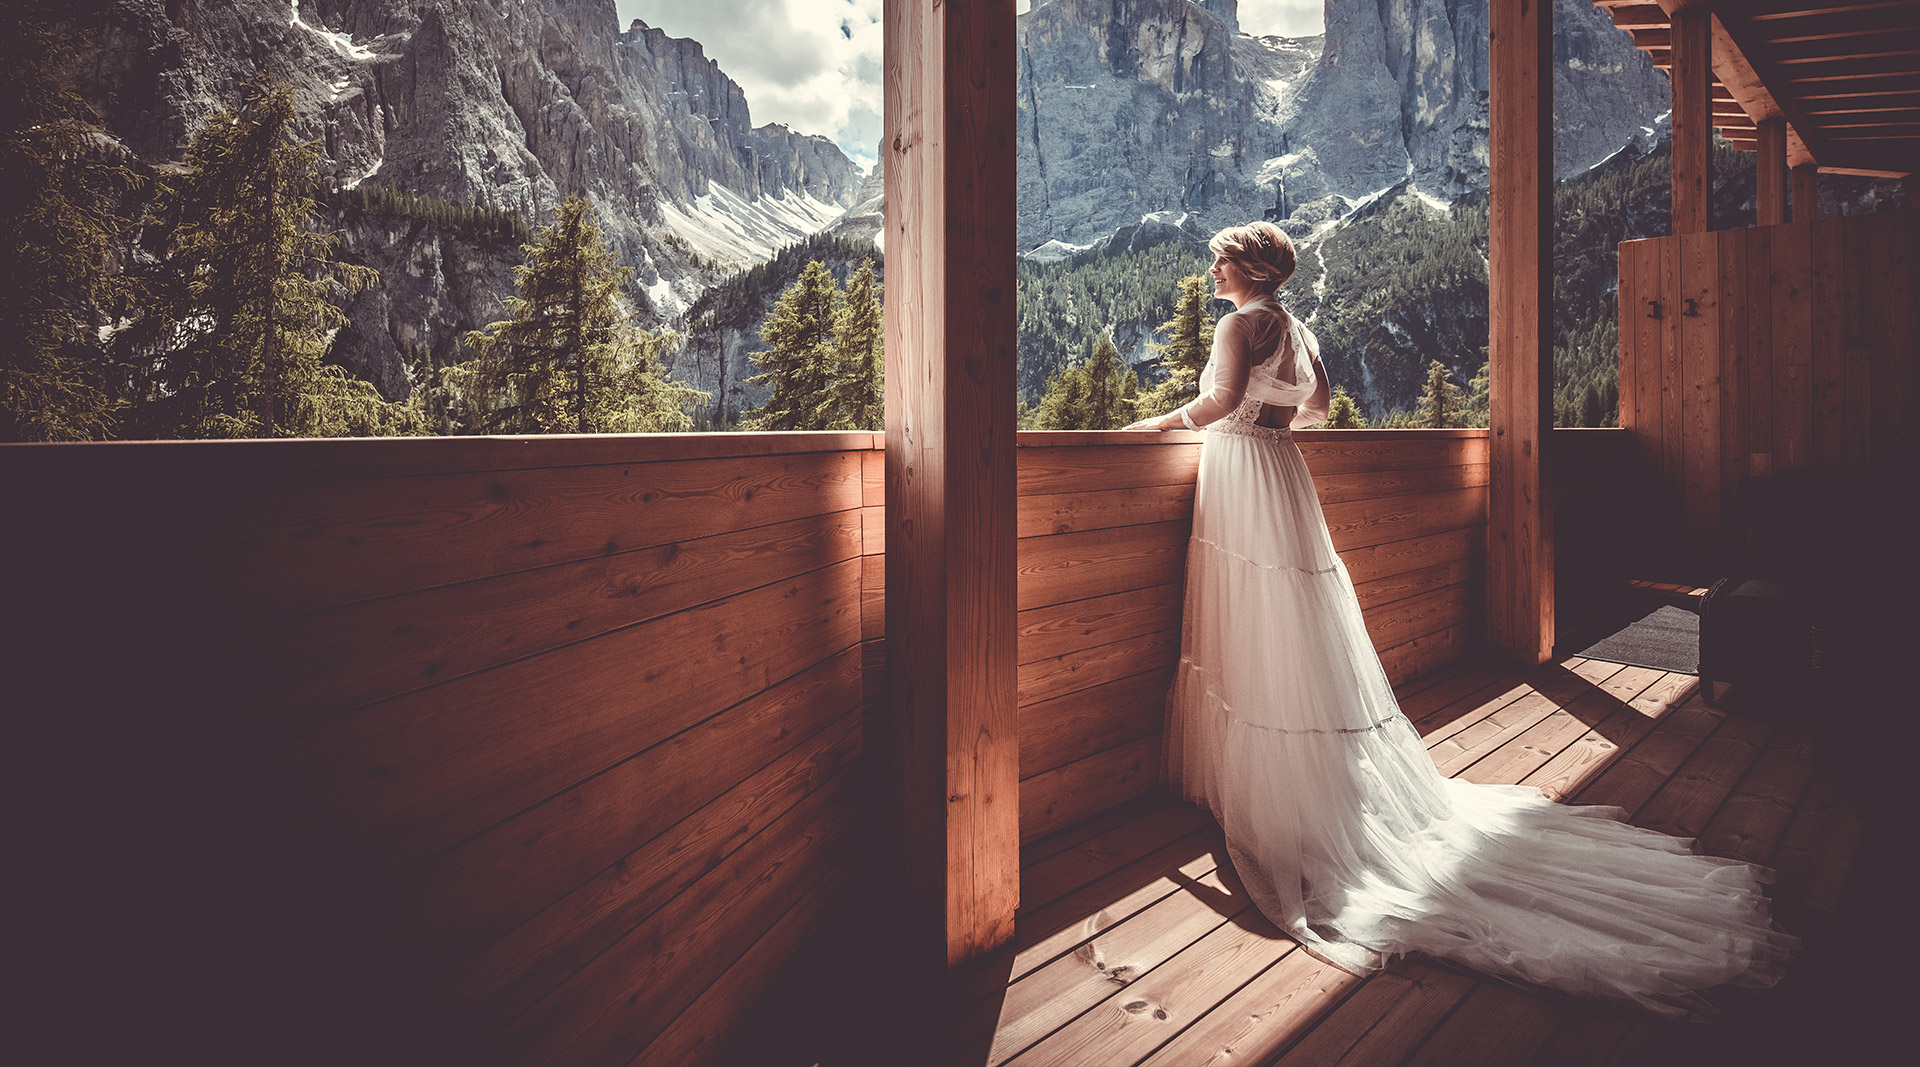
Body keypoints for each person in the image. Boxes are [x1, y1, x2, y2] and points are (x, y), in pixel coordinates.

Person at [1122, 221, 1795, 1018]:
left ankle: (1275, 797)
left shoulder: (1240, 322)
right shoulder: (1296, 328)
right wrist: (1266, 430)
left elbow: (1220, 401)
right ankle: (1299, 782)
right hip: (1281, 477)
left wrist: (1151, 428)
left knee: (1252, 621)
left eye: (1222, 256)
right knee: (1290, 618)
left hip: (1239, 478)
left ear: (1252, 266)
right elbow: (1320, 411)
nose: (1213, 266)